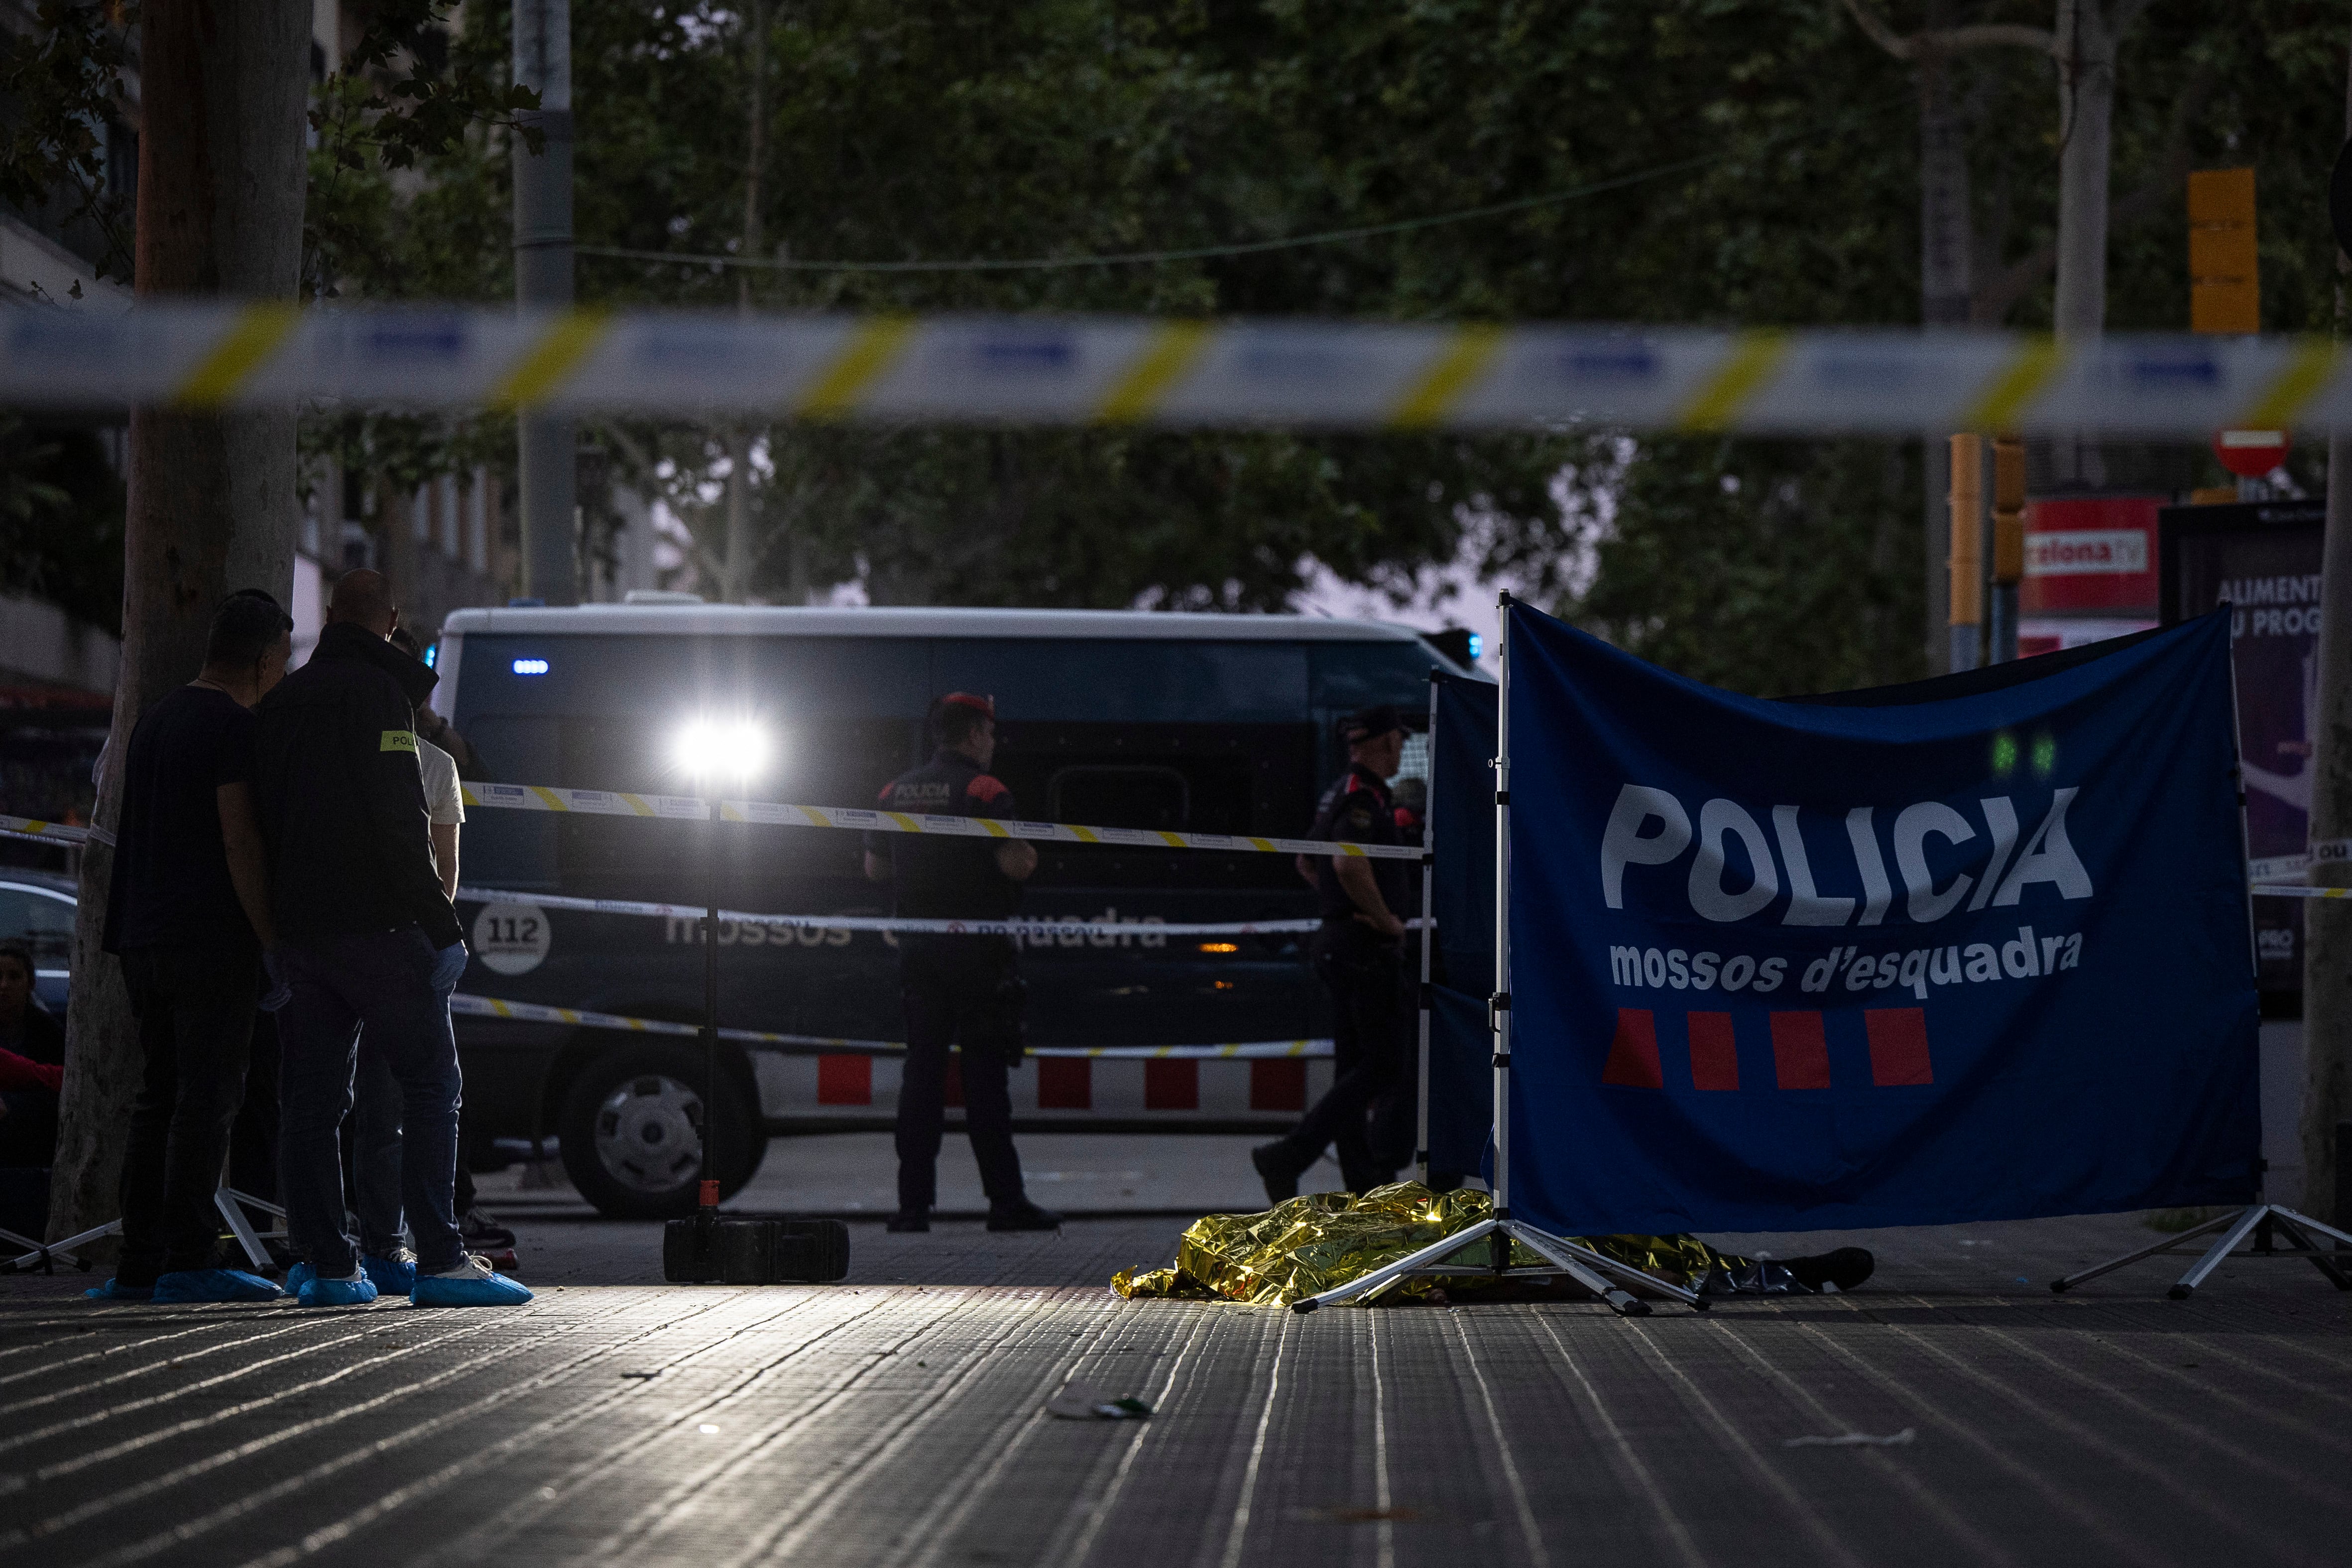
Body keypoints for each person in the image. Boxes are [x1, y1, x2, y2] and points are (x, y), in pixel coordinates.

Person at [252, 569, 527, 1309]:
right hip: (378, 930)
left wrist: (271, 933)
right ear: (392, 619)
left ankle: (326, 1265)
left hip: (301, 933)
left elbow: (256, 825)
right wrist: (443, 929)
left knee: (310, 1103)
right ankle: (439, 1257)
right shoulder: (381, 697)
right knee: (433, 1086)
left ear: (331, 615)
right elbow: (399, 824)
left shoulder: (279, 703)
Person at [86, 590, 294, 1303]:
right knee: (209, 1100)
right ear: (265, 659)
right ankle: (191, 1257)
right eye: (284, 658)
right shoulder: (235, 727)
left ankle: (138, 1260)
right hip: (210, 939)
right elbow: (239, 837)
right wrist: (272, 940)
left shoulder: (156, 719)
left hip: (143, 935)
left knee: (159, 1096)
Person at [864, 693, 1060, 1234]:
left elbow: (874, 868)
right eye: (990, 735)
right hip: (979, 955)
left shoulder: (893, 791)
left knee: (921, 1075)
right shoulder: (983, 791)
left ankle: (911, 1206)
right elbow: (1016, 864)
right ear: (974, 734)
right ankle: (1004, 1201)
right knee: (984, 1079)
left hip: (919, 952)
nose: (992, 745)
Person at [339, 625, 484, 1293]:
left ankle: (364, 1249)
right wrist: (438, 934)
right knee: (414, 1095)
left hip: (341, 944)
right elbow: (444, 870)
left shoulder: (341, 754)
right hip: (408, 947)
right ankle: (416, 1249)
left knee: (350, 1103)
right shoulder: (433, 766)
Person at [1253, 705, 1417, 1202]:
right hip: (1363, 947)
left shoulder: (1339, 792)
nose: (1401, 753)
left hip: (1340, 944)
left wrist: (1340, 904)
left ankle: (1361, 1181)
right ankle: (1290, 1153)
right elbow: (1347, 862)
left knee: (1354, 1068)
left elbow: (1309, 860)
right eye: (1399, 742)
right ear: (1386, 741)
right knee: (1384, 1063)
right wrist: (1382, 915)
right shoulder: (1361, 796)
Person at [0, 943, 65, 1239]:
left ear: (30, 983)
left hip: (32, 1138)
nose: (4, 986)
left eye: (14, 977)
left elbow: (60, 1091)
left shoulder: (46, 1032)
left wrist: (14, 1108)